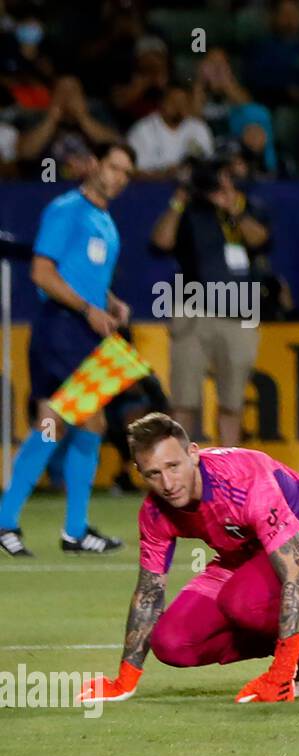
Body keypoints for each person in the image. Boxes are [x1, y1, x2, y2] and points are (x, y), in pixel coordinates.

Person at [75, 413, 299, 705]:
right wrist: (125, 680)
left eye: (173, 466)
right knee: (173, 643)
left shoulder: (243, 481)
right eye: (153, 473)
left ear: (193, 453)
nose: (168, 483)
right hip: (244, 557)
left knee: (243, 602)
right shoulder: (154, 512)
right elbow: (149, 594)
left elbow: (296, 577)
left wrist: (280, 673)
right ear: (139, 471)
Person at [0, 141, 135, 558]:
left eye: (126, 173)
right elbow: (42, 272)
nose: (117, 177)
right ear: (94, 164)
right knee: (80, 421)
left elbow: (80, 272)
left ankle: (58, 528)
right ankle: (39, 525)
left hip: (82, 330)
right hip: (61, 330)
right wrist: (88, 309)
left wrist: (110, 301)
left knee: (58, 425)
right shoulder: (67, 209)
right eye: (113, 166)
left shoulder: (104, 219)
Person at [149, 158, 271, 448]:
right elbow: (161, 243)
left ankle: (229, 473)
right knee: (184, 401)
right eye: (214, 180)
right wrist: (179, 201)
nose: (219, 186)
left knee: (233, 402)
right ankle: (176, 472)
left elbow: (261, 241)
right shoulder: (188, 210)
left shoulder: (248, 207)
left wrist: (233, 210)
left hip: (241, 313)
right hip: (194, 312)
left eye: (224, 178)